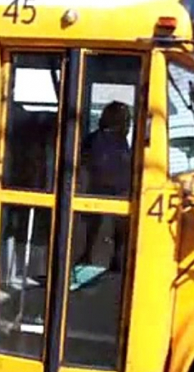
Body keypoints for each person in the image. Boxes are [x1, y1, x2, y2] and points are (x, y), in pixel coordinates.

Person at [77, 101, 133, 272]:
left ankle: (104, 256)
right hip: (104, 187)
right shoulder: (108, 140)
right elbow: (83, 162)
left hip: (108, 187)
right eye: (125, 119)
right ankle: (96, 255)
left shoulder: (113, 140)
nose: (128, 124)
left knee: (105, 225)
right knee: (102, 225)